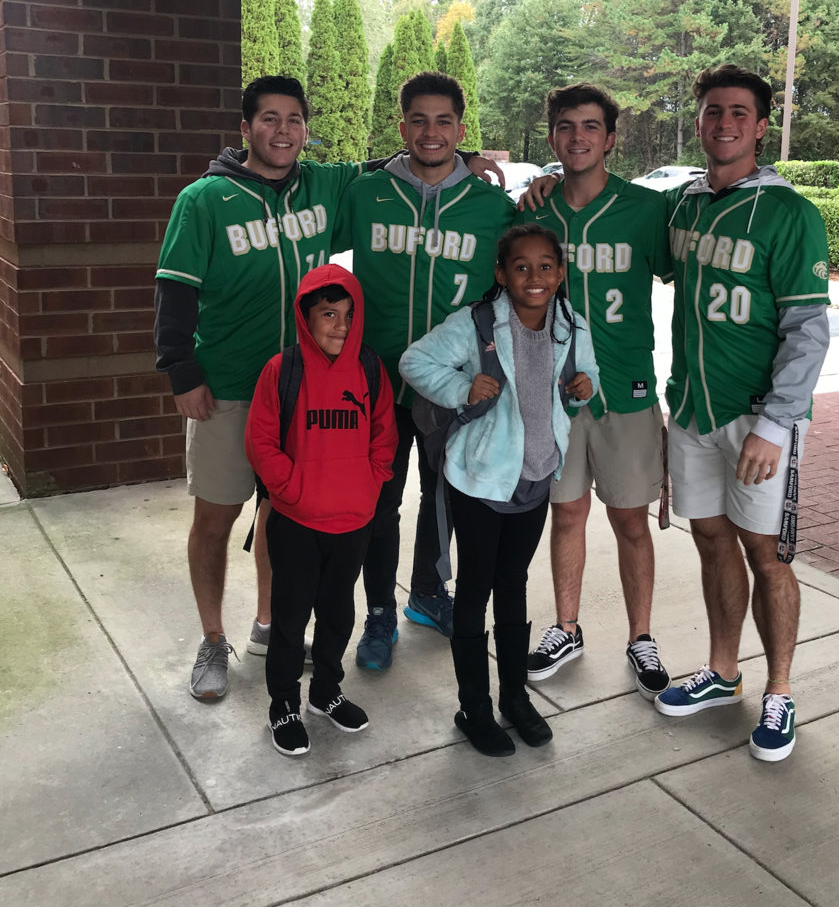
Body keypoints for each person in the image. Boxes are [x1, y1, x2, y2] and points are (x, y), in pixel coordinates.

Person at [154, 74, 496, 701]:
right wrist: (181, 370)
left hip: (308, 387)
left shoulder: (325, 185)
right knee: (216, 516)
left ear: (307, 130)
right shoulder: (204, 199)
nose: (282, 131)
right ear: (245, 128)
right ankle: (211, 640)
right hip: (230, 385)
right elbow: (175, 288)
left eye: (293, 120)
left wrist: (466, 162)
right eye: (268, 119)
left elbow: (406, 163)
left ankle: (268, 625)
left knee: (282, 513)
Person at [653, 64, 831, 763]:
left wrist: (776, 422)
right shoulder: (686, 206)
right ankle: (723, 673)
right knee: (711, 539)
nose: (723, 123)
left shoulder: (790, 213)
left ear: (760, 125)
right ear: (698, 122)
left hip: (759, 420)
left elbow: (808, 332)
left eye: (738, 112)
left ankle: (779, 688)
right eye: (711, 111)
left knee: (768, 552)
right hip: (694, 410)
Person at [330, 72, 517, 672]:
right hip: (376, 380)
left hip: (453, 385)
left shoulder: (494, 209)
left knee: (444, 499)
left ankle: (429, 595)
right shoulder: (365, 194)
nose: (430, 132)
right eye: (419, 120)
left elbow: (524, 282)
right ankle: (380, 612)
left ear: (461, 130)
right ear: (401, 125)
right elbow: (297, 190)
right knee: (379, 504)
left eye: (444, 122)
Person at [399, 225, 599, 756]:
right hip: (481, 479)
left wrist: (584, 388)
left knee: (514, 583)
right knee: (475, 589)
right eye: (521, 267)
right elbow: (414, 361)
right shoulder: (477, 323)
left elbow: (587, 376)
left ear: (560, 273)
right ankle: (474, 706)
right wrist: (460, 387)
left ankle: (513, 696)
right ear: (501, 274)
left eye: (546, 267)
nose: (534, 277)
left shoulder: (572, 325)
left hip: (534, 478)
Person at [516, 84, 672, 701]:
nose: (576, 136)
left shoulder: (645, 209)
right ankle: (567, 627)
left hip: (626, 389)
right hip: (554, 393)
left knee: (630, 519)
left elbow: (686, 272)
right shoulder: (534, 214)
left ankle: (641, 637)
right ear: (552, 137)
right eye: (564, 126)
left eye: (589, 126)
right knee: (567, 512)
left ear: (611, 138)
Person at [244, 264, 397, 755]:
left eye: (349, 315)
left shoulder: (370, 369)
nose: (340, 326)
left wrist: (366, 487)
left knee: (337, 614)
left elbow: (384, 439)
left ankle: (326, 693)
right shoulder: (281, 370)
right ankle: (283, 704)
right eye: (329, 314)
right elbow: (261, 441)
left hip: (352, 519)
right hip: (295, 520)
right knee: (290, 619)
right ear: (305, 318)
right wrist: (292, 489)